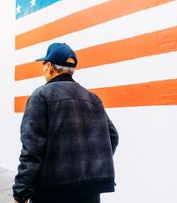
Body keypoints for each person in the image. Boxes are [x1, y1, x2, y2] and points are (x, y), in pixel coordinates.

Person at [13, 43, 119, 203]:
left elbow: (32, 151)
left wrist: (20, 192)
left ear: (49, 67)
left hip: (52, 193)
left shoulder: (40, 97)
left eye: (43, 65)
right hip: (90, 192)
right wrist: (91, 163)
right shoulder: (92, 98)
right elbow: (113, 136)